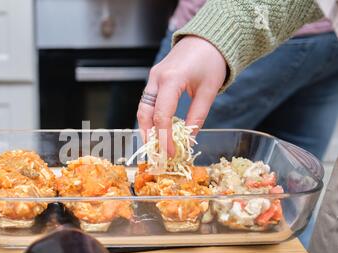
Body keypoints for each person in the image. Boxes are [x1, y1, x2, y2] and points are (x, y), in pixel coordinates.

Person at [137, 0, 338, 161]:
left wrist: (219, 31)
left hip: (225, 36)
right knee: (288, 189)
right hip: (321, 27)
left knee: (157, 167)